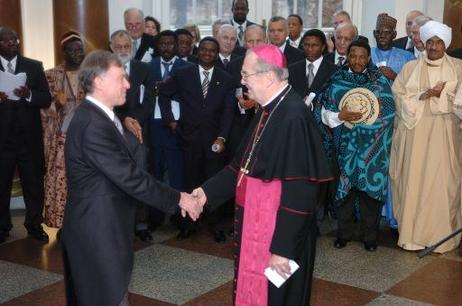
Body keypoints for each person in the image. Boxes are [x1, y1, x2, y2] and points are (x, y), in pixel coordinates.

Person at [193, 44, 332, 305]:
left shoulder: (293, 115)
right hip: (257, 227)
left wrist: (282, 250)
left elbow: (301, 192)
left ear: (268, 77)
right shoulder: (268, 109)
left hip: (279, 238)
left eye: (246, 75)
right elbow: (240, 166)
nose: (242, 81)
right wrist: (204, 194)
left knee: (279, 297)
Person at [61, 50, 202, 306]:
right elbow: (130, 177)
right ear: (99, 81)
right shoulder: (93, 124)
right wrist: (179, 198)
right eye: (121, 78)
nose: (128, 84)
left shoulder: (105, 116)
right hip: (96, 229)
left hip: (106, 224)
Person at [314, 39, 395, 252]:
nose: (357, 61)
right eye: (353, 56)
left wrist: (369, 129)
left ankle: (370, 237)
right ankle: (344, 233)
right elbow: (321, 111)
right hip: (343, 146)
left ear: (368, 58)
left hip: (373, 148)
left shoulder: (379, 81)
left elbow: (389, 114)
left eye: (362, 57)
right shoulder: (336, 80)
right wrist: (340, 116)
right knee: (344, 193)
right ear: (347, 57)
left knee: (370, 195)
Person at [390, 21, 462, 254]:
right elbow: (398, 96)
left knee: (444, 184)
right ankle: (412, 236)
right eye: (430, 41)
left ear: (445, 45)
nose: (433, 46)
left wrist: (444, 98)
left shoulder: (458, 68)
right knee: (414, 182)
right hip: (415, 136)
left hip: (445, 136)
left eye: (438, 42)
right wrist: (424, 95)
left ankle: (441, 236)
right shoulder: (410, 68)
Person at [158, 37, 235, 239]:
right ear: (197, 51)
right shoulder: (183, 74)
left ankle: (216, 226)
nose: (207, 54)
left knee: (213, 184)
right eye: (203, 50)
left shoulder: (225, 78)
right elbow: (163, 94)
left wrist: (222, 138)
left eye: (211, 51)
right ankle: (189, 225)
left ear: (216, 54)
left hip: (214, 141)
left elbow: (228, 111)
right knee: (190, 182)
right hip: (188, 138)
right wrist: (170, 120)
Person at [0, 27, 52, 243]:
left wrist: (29, 94)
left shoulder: (33, 66)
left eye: (15, 39)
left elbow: (46, 98)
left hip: (28, 139)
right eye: (7, 40)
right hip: (2, 140)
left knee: (33, 184)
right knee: (1, 185)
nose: (13, 43)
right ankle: (2, 228)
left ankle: (34, 225)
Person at [110, 29, 156, 241]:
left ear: (133, 47)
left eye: (126, 46)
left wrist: (134, 120)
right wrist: (123, 120)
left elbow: (149, 101)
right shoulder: (105, 70)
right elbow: (104, 101)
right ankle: (119, 224)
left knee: (140, 176)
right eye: (118, 47)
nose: (122, 50)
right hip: (113, 131)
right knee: (116, 179)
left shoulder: (144, 69)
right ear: (111, 48)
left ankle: (141, 223)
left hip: (139, 131)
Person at [41, 31, 85, 229]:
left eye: (80, 49)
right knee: (62, 182)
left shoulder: (92, 73)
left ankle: (87, 223)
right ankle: (64, 225)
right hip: (62, 138)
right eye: (72, 50)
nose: (77, 53)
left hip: (88, 137)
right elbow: (42, 112)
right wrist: (56, 105)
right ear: (63, 52)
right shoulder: (51, 75)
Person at [289, 29, 338, 100]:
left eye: (314, 45)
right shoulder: (292, 69)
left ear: (323, 47)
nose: (310, 49)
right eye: (306, 45)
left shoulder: (334, 71)